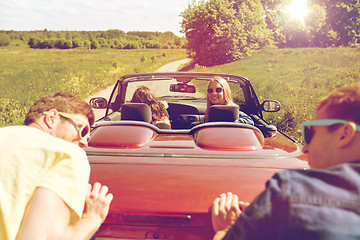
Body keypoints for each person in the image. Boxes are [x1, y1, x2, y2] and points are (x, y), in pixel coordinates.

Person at [211, 85, 360, 240]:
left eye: (311, 133)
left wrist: (225, 229)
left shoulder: (291, 191)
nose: (305, 148)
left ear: (345, 134)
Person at [0, 92, 113, 240]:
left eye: (88, 138)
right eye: (83, 130)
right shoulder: (66, 153)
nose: (84, 142)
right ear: (51, 118)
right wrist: (93, 218)